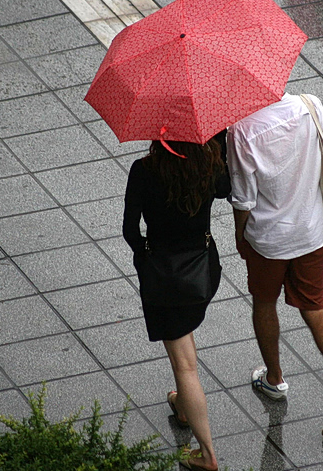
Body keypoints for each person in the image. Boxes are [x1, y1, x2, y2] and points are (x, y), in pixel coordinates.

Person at [227, 93, 323, 437]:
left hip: (269, 240)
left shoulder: (241, 131)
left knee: (264, 303)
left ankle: (274, 379)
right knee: (315, 307)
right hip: (311, 231)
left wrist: (240, 236)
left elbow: (244, 198)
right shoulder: (310, 105)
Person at [123, 134, 230, 471]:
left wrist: (145, 258)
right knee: (183, 335)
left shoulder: (144, 170)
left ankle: (206, 453)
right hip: (202, 271)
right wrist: (220, 141)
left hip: (166, 279)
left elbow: (130, 229)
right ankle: (183, 406)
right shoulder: (209, 166)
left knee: (184, 365)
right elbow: (227, 190)